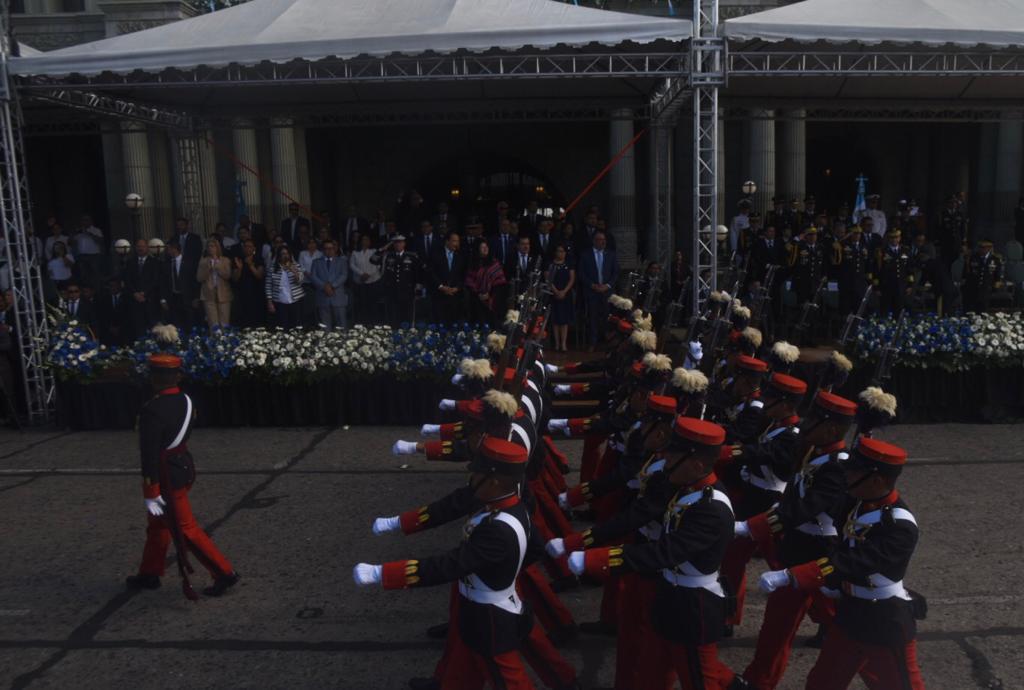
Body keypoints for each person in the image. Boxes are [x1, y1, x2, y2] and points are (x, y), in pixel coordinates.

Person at [566, 417, 738, 690]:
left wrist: (597, 559)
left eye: (673, 455)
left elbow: (665, 552)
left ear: (696, 465)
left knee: (699, 679)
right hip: (670, 598)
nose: (666, 459)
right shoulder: (685, 488)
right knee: (649, 675)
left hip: (694, 609)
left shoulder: (711, 509)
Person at [353, 436, 536, 690]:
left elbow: (449, 565)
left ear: (493, 482)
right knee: (459, 674)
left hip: (490, 618)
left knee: (509, 681)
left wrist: (382, 573)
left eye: (477, 475)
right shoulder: (507, 506)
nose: (471, 479)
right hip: (478, 608)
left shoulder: (498, 529)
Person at [759, 437, 924, 690]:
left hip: (884, 618)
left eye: (854, 471)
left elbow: (855, 561)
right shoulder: (856, 503)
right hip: (850, 613)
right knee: (821, 683)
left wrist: (793, 576)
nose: (846, 476)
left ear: (877, 480)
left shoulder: (899, 526)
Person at [126, 353, 239, 599]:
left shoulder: (152, 410)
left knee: (185, 529)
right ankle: (150, 572)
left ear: (154, 379)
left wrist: (151, 490)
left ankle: (224, 572)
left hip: (166, 477)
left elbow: (150, 455)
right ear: (177, 376)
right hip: (183, 467)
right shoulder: (187, 400)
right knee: (157, 524)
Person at [578, 231, 618, 349]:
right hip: (592, 291)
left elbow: (615, 273)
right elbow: (581, 273)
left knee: (608, 316)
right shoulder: (585, 255)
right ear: (594, 241)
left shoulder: (611, 254)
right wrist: (592, 285)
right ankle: (593, 342)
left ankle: (606, 341)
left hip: (607, 291)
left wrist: (608, 285)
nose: (603, 242)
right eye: (600, 239)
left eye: (604, 239)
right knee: (592, 317)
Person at [372, 234, 421, 327]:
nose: (398, 245)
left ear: (404, 244)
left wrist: (418, 290)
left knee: (407, 317)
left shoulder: (412, 256)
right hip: (392, 292)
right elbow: (373, 259)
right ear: (393, 244)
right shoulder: (387, 256)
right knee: (393, 318)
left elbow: (417, 274)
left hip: (407, 292)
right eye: (395, 243)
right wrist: (383, 248)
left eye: (400, 242)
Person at [464, 238, 506, 327]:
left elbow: (499, 283)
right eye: (482, 247)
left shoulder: (494, 263)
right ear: (477, 249)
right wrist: (478, 294)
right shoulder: (472, 263)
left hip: (492, 300)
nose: (485, 249)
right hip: (476, 300)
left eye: (486, 246)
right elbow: (469, 281)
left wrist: (489, 294)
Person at [123, 238, 160, 339]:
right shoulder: (130, 262)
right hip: (135, 301)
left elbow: (155, 280)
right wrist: (135, 293)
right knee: (138, 327)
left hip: (149, 300)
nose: (140, 248)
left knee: (152, 326)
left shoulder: (154, 262)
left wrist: (144, 293)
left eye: (142, 246)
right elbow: (127, 280)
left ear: (147, 247)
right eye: (138, 246)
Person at [428, 231, 467, 324]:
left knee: (454, 323)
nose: (456, 244)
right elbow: (431, 273)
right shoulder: (436, 254)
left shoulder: (461, 256)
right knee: (439, 323)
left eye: (458, 241)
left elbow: (464, 275)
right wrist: (441, 286)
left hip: (455, 295)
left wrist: (457, 288)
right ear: (447, 241)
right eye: (454, 241)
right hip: (439, 295)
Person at [310, 238, 349, 329]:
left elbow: (344, 275)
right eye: (326, 248)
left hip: (338, 296)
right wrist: (324, 287)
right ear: (323, 250)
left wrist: (331, 286)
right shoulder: (316, 262)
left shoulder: (342, 261)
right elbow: (313, 277)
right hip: (322, 297)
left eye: (331, 248)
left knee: (341, 325)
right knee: (325, 325)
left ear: (335, 249)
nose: (329, 250)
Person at [159, 240, 196, 334]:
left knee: (189, 323)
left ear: (174, 249)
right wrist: (163, 299)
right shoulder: (166, 264)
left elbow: (193, 281)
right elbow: (163, 283)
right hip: (173, 298)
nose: (167, 252)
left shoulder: (188, 262)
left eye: (168, 249)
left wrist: (196, 297)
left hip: (187, 298)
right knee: (175, 324)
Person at [264, 245, 305, 330]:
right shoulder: (272, 268)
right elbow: (268, 286)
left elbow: (300, 281)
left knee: (296, 326)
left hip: (295, 301)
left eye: (287, 253)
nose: (285, 255)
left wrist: (293, 271)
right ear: (279, 255)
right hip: (279, 302)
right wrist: (269, 302)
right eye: (283, 254)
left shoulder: (296, 266)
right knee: (282, 326)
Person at [196, 238, 233, 329]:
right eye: (208, 246)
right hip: (208, 294)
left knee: (224, 322)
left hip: (224, 294)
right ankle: (215, 341)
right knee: (213, 323)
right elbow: (199, 278)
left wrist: (217, 267)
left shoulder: (225, 260)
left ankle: (226, 341)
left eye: (212, 246)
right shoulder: (203, 261)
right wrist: (208, 269)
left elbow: (228, 276)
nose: (210, 248)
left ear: (217, 248)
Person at [876, 229, 913, 317]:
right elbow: (877, 270)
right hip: (886, 285)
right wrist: (876, 287)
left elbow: (909, 269)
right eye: (892, 238)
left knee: (899, 310)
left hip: (900, 285)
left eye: (896, 237)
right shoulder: (882, 251)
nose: (894, 240)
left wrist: (910, 285)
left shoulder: (905, 251)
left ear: (899, 238)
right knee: (884, 310)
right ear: (888, 239)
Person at [230, 238, 266, 329]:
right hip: (242, 295)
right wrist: (239, 269)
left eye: (250, 246)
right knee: (244, 322)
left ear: (254, 248)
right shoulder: (238, 259)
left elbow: (259, 276)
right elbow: (234, 279)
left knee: (257, 321)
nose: (247, 248)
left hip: (256, 294)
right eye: (245, 246)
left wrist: (250, 265)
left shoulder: (258, 259)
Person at [962, 239, 1004, 313]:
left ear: (989, 248)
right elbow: (967, 273)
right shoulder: (973, 258)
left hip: (986, 290)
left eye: (985, 247)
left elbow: (997, 276)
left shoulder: (995, 260)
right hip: (973, 289)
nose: (982, 249)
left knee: (983, 311)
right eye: (981, 247)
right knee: (971, 311)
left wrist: (994, 288)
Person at [349, 233, 382, 324]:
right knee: (362, 304)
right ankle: (363, 324)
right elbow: (352, 265)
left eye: (367, 239)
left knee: (373, 304)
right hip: (360, 282)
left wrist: (369, 275)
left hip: (373, 281)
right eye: (363, 239)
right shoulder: (355, 253)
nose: (365, 241)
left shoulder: (374, 251)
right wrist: (362, 274)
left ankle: (374, 324)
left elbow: (378, 265)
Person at [548, 245, 575, 352]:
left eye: (562, 251)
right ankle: (557, 344)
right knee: (555, 320)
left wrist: (564, 291)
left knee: (564, 320)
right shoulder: (551, 264)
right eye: (558, 251)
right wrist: (556, 291)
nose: (561, 253)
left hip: (566, 294)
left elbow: (572, 279)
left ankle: (564, 344)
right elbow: (548, 278)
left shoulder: (569, 264)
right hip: (554, 294)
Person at [70, 214, 104, 291]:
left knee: (95, 275)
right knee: (83, 275)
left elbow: (100, 241)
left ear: (90, 221)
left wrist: (89, 233)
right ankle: (85, 291)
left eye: (86, 220)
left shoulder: (96, 230)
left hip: (94, 256)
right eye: (83, 220)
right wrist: (74, 233)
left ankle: (97, 291)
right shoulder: (79, 231)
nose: (84, 222)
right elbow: (71, 242)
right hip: (82, 256)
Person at [298, 236, 323, 327]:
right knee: (307, 304)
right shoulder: (302, 253)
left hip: (316, 282)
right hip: (305, 281)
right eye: (310, 243)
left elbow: (321, 266)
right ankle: (307, 324)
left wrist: (314, 275)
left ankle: (317, 323)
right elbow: (300, 265)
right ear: (307, 244)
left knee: (316, 303)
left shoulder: (320, 254)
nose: (312, 244)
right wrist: (307, 273)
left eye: (313, 242)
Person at [97, 276, 130, 346]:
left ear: (119, 286)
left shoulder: (127, 298)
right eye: (110, 286)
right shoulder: (104, 299)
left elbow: (129, 316)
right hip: (108, 332)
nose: (112, 288)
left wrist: (120, 328)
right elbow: (102, 316)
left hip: (124, 332)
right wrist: (110, 327)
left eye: (114, 286)